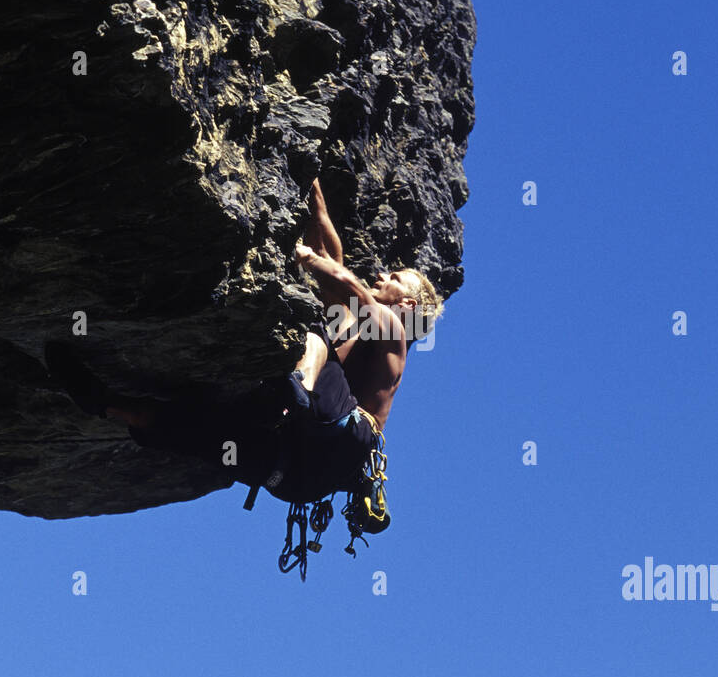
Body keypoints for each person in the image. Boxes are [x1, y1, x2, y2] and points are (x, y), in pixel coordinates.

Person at [45, 179, 443, 508]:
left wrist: (306, 258)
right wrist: (312, 182)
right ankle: (107, 404)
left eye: (393, 277)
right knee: (198, 428)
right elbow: (333, 257)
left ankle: (298, 385)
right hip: (291, 474)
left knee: (310, 329)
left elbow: (348, 283)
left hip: (332, 427)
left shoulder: (393, 330)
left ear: (408, 303)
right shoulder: (360, 329)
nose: (381, 275)